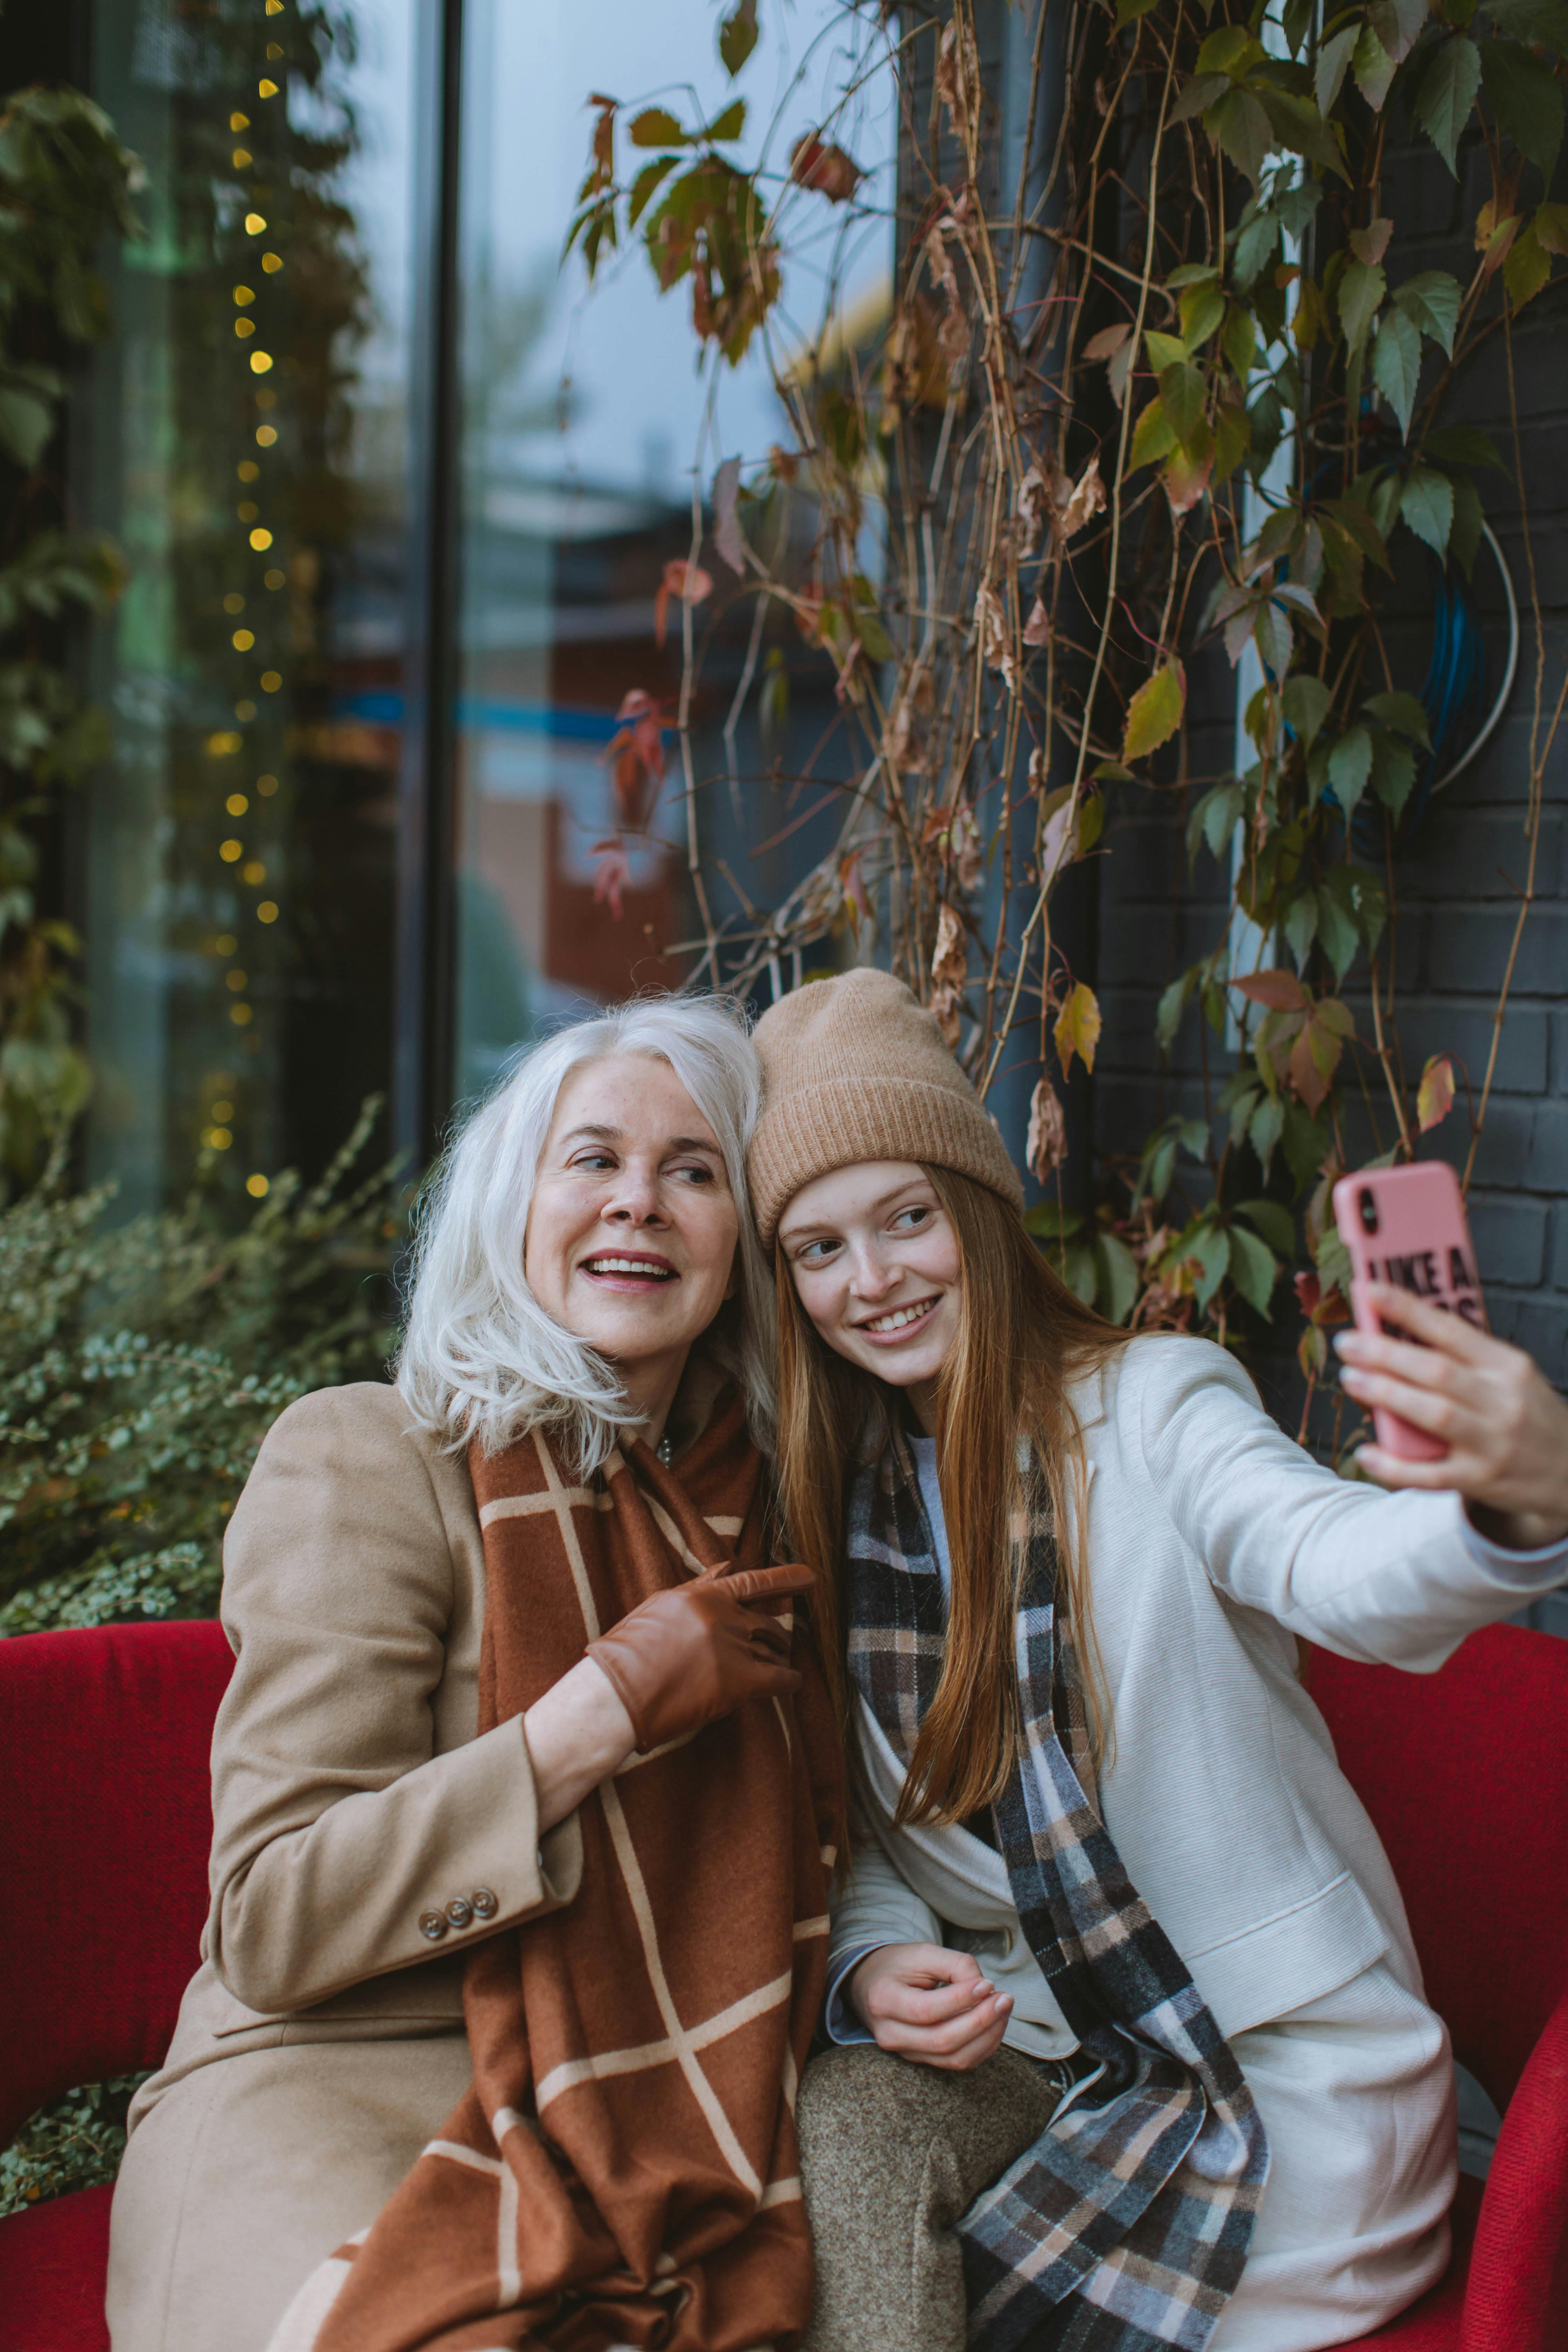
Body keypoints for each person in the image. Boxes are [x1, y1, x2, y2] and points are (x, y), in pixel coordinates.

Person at [746, 967, 1568, 2352]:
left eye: (906, 1218)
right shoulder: (843, 1505)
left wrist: (1505, 1510)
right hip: (1048, 2051)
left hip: (1271, 2074)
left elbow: (1332, 1564)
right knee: (846, 2135)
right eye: (819, 1250)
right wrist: (875, 1971)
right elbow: (879, 1833)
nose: (871, 1281)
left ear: (983, 1216)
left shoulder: (1154, 1402)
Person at [107, 996, 842, 2352]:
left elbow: (809, 1872)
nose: (639, 1204)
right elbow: (270, 1921)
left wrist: (873, 1972)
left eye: (693, 1171)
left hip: (622, 2131)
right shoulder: (371, 1460)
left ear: (741, 1249)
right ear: (514, 1210)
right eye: (594, 1162)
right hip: (324, 2090)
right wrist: (598, 1713)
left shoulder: (763, 1523)